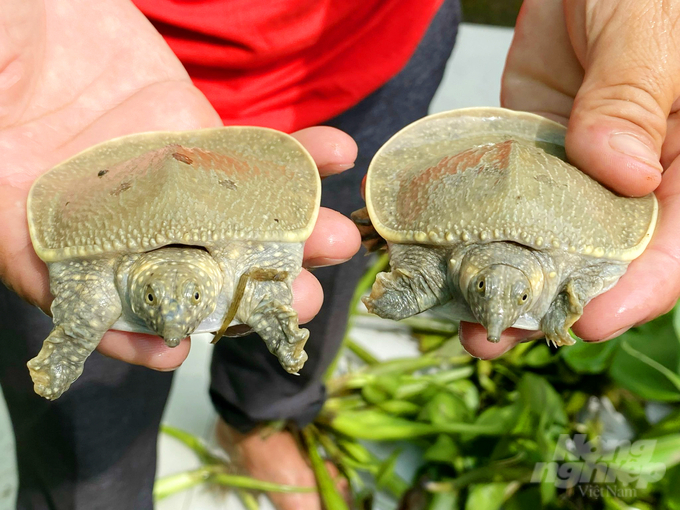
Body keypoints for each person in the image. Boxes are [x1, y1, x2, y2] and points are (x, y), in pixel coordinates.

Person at [1, 0, 679, 509]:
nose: (176, 323)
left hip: (371, 50)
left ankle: (261, 422)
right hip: (81, 79)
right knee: (80, 403)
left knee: (325, 271)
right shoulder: (124, 265)